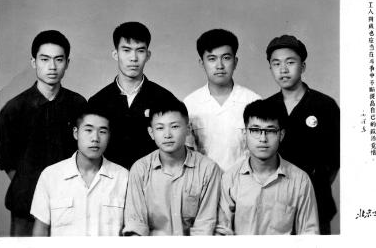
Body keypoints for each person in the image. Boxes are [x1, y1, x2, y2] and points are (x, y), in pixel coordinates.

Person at [0, 30, 87, 236]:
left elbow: (86, 153)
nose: (52, 67)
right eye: (44, 59)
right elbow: (8, 163)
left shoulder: (78, 105)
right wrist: (33, 185)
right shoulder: (14, 109)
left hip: (71, 204)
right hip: (26, 204)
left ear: (67, 63)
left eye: (59, 60)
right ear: (33, 62)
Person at [264, 34, 340, 234]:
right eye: (276, 64)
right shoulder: (266, 107)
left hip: (316, 200)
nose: (283, 69)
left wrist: (312, 184)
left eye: (290, 62)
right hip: (275, 203)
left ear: (303, 66)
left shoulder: (325, 105)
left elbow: (334, 159)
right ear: (270, 68)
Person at [215, 99, 319, 235]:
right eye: (255, 130)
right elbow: (222, 232)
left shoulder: (300, 180)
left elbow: (309, 233)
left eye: (270, 131)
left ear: (281, 135)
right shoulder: (230, 178)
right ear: (245, 134)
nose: (263, 139)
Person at [123, 99, 222, 236]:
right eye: (160, 128)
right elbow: (136, 223)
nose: (167, 135)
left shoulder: (208, 169)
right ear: (151, 133)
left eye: (174, 126)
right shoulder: (140, 169)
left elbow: (204, 226)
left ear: (188, 129)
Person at [88, 21, 177, 169]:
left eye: (140, 51)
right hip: (110, 183)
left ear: (148, 55)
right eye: (126, 50)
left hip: (152, 183)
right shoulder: (98, 101)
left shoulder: (164, 98)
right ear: (115, 54)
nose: (133, 58)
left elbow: (174, 149)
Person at [30, 108, 128, 236]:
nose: (95, 138)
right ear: (76, 133)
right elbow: (41, 229)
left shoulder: (123, 176)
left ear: (109, 136)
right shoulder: (50, 175)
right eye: (88, 130)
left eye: (103, 131)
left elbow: (131, 229)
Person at [184, 29, 261, 172]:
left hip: (244, 184)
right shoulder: (189, 104)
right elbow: (186, 153)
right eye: (212, 59)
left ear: (235, 62)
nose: (219, 66)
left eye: (226, 58)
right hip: (203, 185)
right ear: (202, 63)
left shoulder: (253, 101)